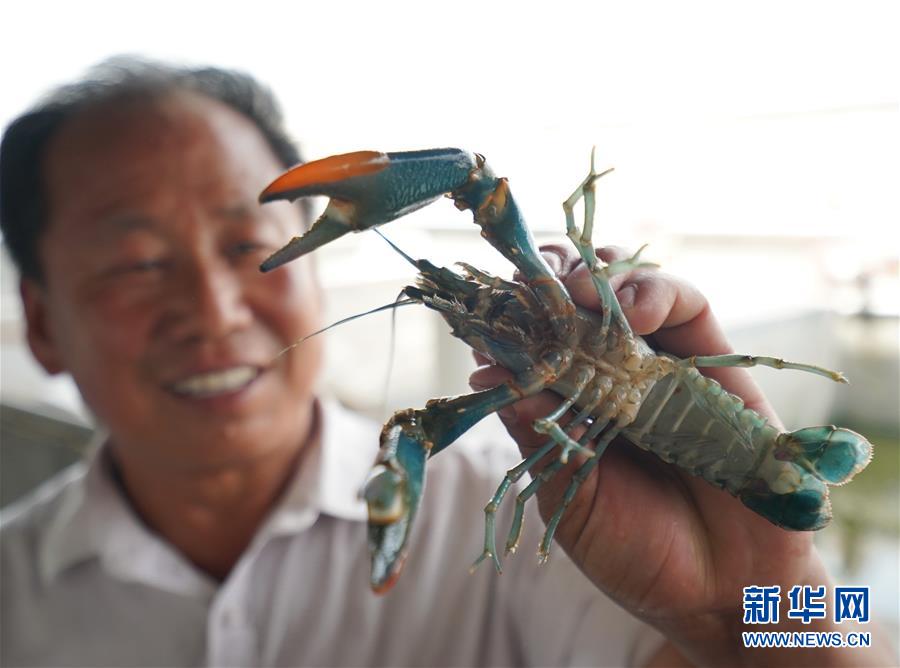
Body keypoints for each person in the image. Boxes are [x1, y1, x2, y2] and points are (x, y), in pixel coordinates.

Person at [0, 58, 889, 667]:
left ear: (308, 266)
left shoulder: (553, 505)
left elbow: (870, 635)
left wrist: (762, 605)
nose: (214, 309)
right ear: (40, 323)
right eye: (137, 264)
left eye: (246, 246)